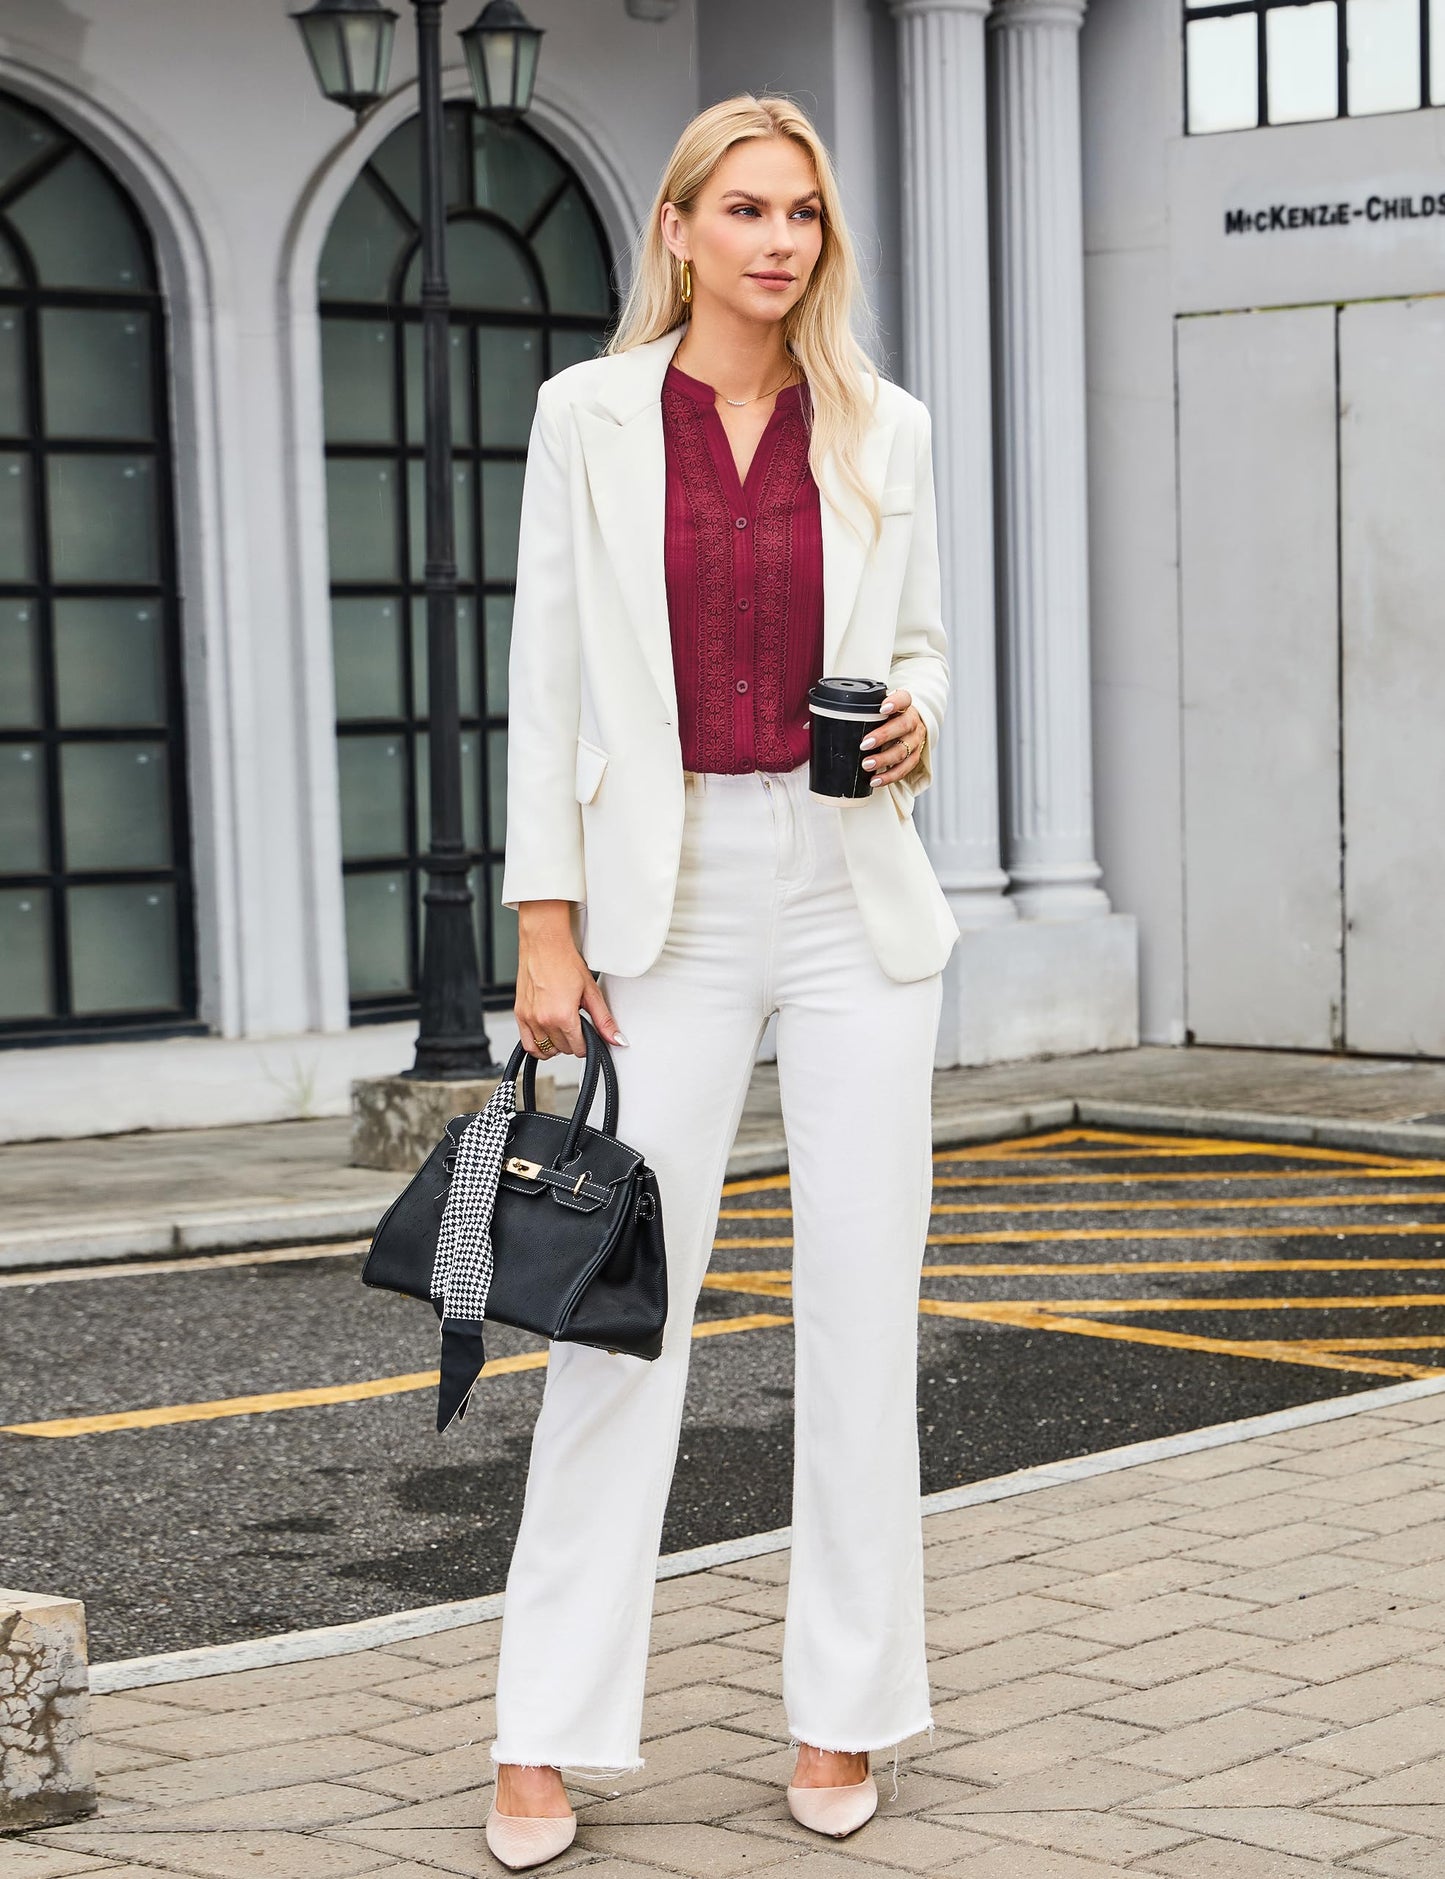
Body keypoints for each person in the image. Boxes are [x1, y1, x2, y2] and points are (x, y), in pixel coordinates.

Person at [484, 92, 961, 1872]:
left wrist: (918, 717)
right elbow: (547, 679)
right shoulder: (589, 417)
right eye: (745, 209)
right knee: (624, 1313)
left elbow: (917, 641)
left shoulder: (880, 424)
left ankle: (843, 1706)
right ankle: (543, 1731)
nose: (780, 241)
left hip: (848, 889)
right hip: (658, 891)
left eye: (804, 214)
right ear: (677, 228)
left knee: (859, 1317)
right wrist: (548, 923)